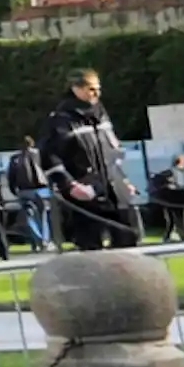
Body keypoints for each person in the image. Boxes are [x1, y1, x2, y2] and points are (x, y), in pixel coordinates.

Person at [40, 69, 141, 251]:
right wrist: (69, 185)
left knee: (127, 238)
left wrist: (123, 179)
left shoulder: (101, 115)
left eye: (98, 89)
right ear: (75, 89)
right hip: (85, 188)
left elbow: (112, 151)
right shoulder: (61, 120)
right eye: (91, 89)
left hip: (112, 186)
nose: (96, 94)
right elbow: (49, 157)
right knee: (90, 244)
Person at [8, 136, 51, 248]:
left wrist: (14, 190)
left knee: (29, 216)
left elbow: (11, 177)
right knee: (44, 216)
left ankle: (38, 239)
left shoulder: (14, 158)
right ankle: (45, 240)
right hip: (41, 189)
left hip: (23, 190)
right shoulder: (39, 154)